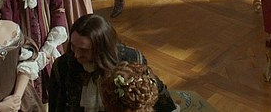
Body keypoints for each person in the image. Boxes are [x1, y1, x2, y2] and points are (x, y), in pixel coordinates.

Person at [48, 14, 177, 112]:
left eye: (84, 50)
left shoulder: (131, 59)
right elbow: (56, 106)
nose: (76, 54)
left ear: (101, 48)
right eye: (73, 46)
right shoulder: (62, 66)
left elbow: (159, 96)